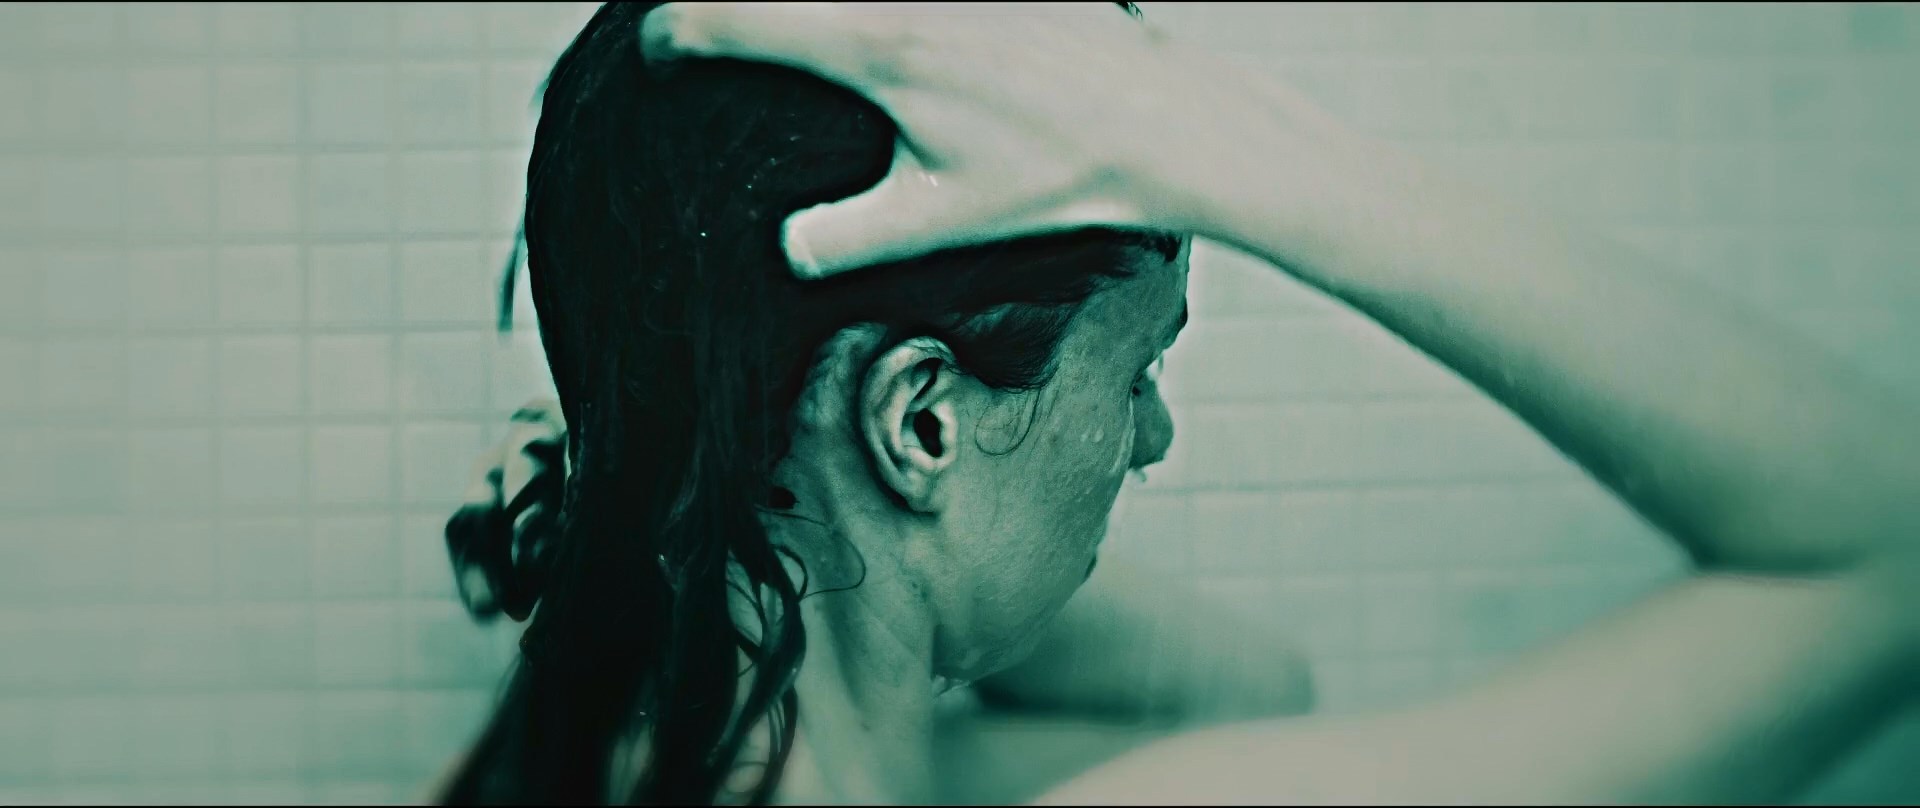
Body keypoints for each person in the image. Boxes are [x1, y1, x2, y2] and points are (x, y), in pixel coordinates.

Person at [438, 2, 1920, 805]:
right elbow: (1892, 546)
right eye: (1137, 369)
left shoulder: (674, 761)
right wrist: (1238, 152)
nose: (1155, 437)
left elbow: (1236, 690)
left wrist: (687, 433)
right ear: (920, 423)